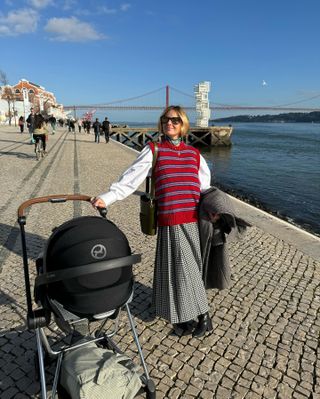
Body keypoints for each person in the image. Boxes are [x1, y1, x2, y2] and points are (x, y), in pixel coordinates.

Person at [91, 105, 215, 337]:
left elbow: (205, 188)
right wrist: (107, 198)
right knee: (174, 270)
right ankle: (184, 316)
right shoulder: (153, 150)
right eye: (166, 119)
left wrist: (216, 211)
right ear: (161, 123)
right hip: (169, 220)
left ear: (183, 124)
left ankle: (204, 316)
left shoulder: (194, 154)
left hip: (192, 221)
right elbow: (130, 180)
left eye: (175, 120)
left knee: (188, 269)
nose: (170, 123)